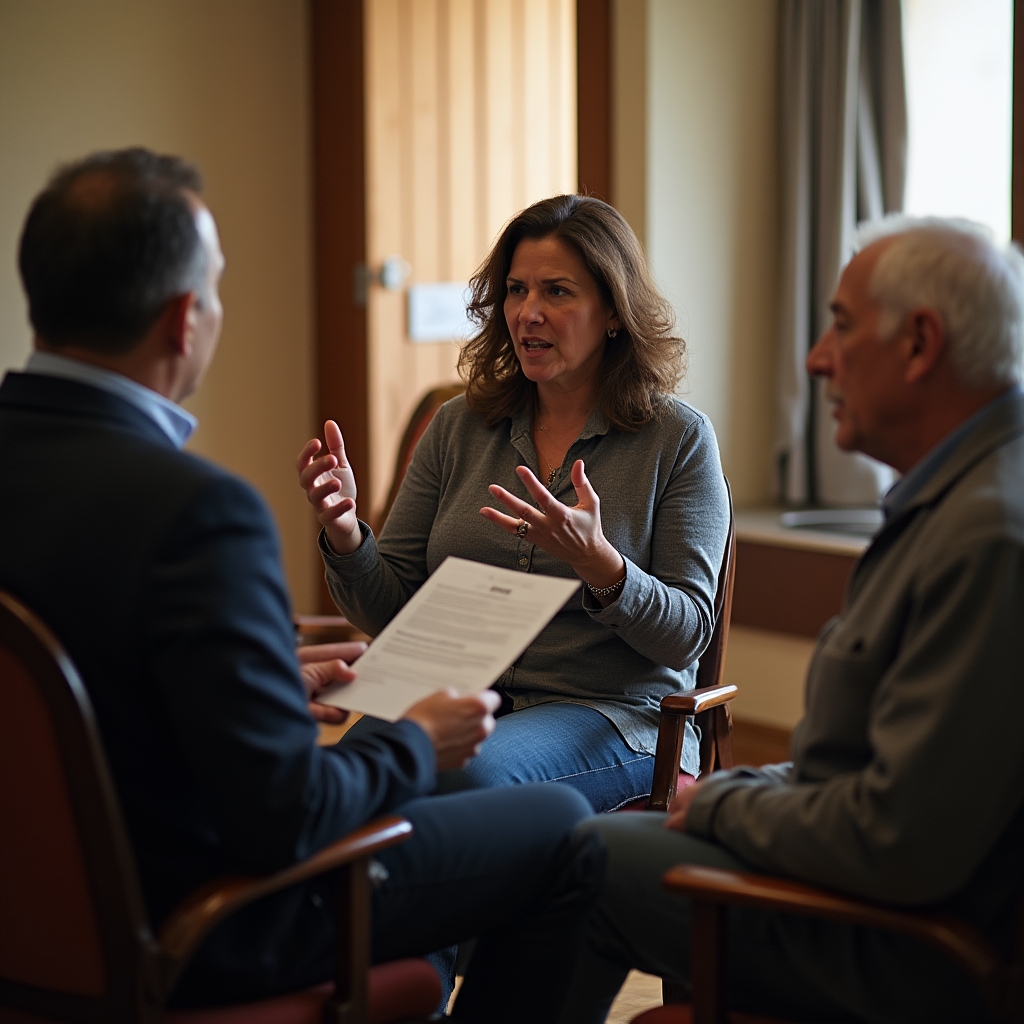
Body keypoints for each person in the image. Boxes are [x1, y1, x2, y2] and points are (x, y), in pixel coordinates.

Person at [0, 148, 606, 1021]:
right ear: (183, 320)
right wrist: (413, 743)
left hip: (36, 923)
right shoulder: (198, 513)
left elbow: (81, 690)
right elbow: (287, 816)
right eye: (216, 289)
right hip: (203, 926)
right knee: (560, 832)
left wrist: (262, 685)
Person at [558, 216, 1024, 1024]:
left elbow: (900, 837)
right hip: (875, 891)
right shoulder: (964, 494)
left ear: (920, 345)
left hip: (908, 948)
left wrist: (724, 806)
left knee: (583, 858)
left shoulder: (990, 534)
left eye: (840, 326)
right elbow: (874, 771)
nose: (815, 358)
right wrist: (746, 792)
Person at [297, 195, 730, 812]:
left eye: (557, 292)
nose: (528, 313)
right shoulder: (459, 427)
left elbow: (686, 637)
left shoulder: (678, 440)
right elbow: (391, 609)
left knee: (460, 780)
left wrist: (602, 567)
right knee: (346, 776)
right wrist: (345, 534)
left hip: (610, 715)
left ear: (612, 309)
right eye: (516, 290)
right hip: (460, 691)